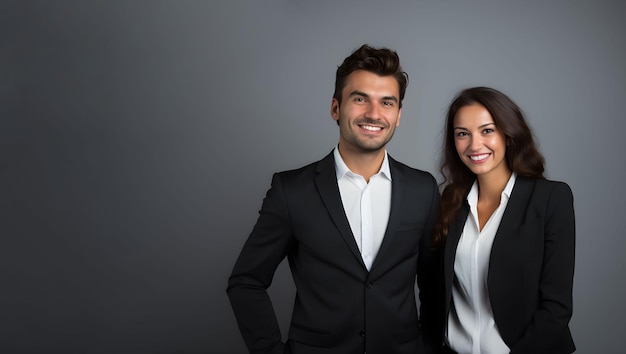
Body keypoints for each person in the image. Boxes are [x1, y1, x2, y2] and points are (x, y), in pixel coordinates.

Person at [227, 44, 440, 354]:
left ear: (398, 116)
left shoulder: (423, 189)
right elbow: (245, 282)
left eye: (387, 103)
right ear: (335, 108)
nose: (373, 113)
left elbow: (435, 288)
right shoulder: (292, 191)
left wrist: (429, 347)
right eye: (360, 99)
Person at [432, 87, 576, 354]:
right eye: (463, 134)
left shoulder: (550, 199)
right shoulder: (450, 201)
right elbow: (435, 294)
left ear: (509, 134)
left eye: (487, 130)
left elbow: (556, 308)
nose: (475, 145)